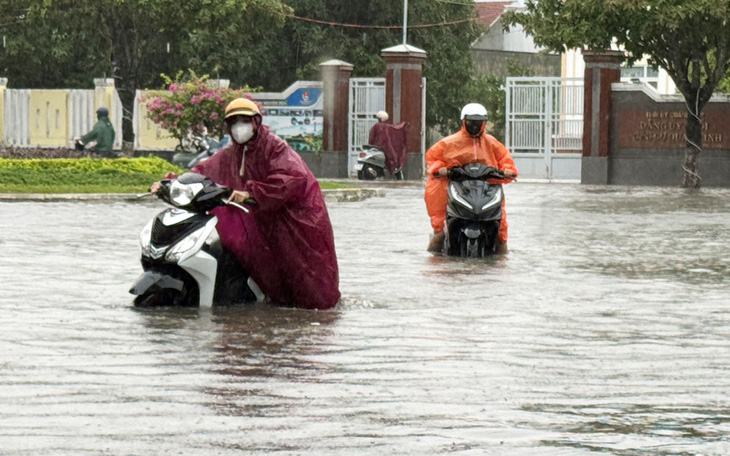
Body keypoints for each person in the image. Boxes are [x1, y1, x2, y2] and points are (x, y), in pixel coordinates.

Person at [150, 98, 340, 310]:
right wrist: (171, 182)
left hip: (291, 219)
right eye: (234, 122)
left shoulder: (275, 148)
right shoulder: (231, 153)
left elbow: (292, 177)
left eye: (244, 121)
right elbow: (201, 171)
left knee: (302, 270)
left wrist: (251, 192)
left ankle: (311, 311)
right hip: (258, 216)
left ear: (256, 122)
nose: (239, 127)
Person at [424, 102, 517, 253]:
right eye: (471, 122)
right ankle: (434, 261)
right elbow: (433, 158)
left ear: (483, 123)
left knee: (501, 230)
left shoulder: (491, 143)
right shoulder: (449, 142)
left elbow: (505, 160)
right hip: (457, 186)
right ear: (464, 121)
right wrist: (440, 169)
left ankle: (502, 264)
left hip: (486, 188)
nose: (474, 125)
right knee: (440, 230)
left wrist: (507, 171)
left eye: (478, 122)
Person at [367, 110, 407, 179]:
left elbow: (371, 137)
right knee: (394, 162)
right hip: (386, 149)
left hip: (378, 148)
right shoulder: (388, 127)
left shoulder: (377, 126)